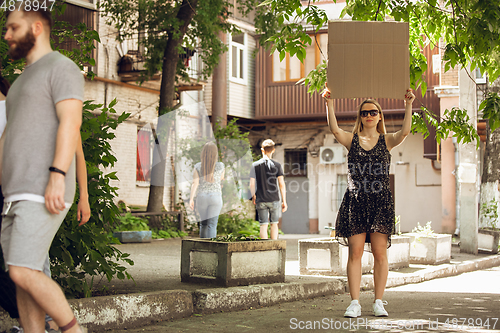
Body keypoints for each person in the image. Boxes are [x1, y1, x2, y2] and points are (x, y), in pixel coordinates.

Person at [0, 5, 86, 333]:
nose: (6, 34)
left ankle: (73, 330)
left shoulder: (61, 67)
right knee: (21, 277)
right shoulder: (21, 81)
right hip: (15, 192)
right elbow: (9, 137)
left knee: (22, 270)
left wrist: (57, 175)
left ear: (36, 28)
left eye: (13, 27)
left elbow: (71, 123)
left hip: (42, 188)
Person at [322, 86, 415, 318]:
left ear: (380, 116)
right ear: (360, 117)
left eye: (373, 112)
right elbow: (334, 129)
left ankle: (378, 301)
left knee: (380, 253)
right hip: (356, 201)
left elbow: (405, 132)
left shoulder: (387, 140)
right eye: (365, 113)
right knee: (355, 253)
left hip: (381, 202)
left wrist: (409, 104)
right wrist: (329, 102)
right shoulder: (351, 140)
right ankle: (354, 302)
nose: (369, 115)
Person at [249, 139, 287, 240]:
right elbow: (281, 184)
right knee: (274, 224)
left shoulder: (255, 165)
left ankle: (264, 248)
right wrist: (284, 201)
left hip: (261, 199)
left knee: (263, 225)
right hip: (274, 199)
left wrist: (254, 196)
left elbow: (252, 184)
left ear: (262, 150)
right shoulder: (277, 165)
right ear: (273, 150)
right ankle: (273, 247)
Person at [189, 142, 225, 238]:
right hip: (215, 196)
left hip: (202, 197)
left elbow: (195, 183)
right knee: (212, 225)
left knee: (203, 224)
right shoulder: (221, 166)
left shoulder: (197, 166)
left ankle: (202, 248)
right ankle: (211, 249)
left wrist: (191, 199)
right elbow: (221, 178)